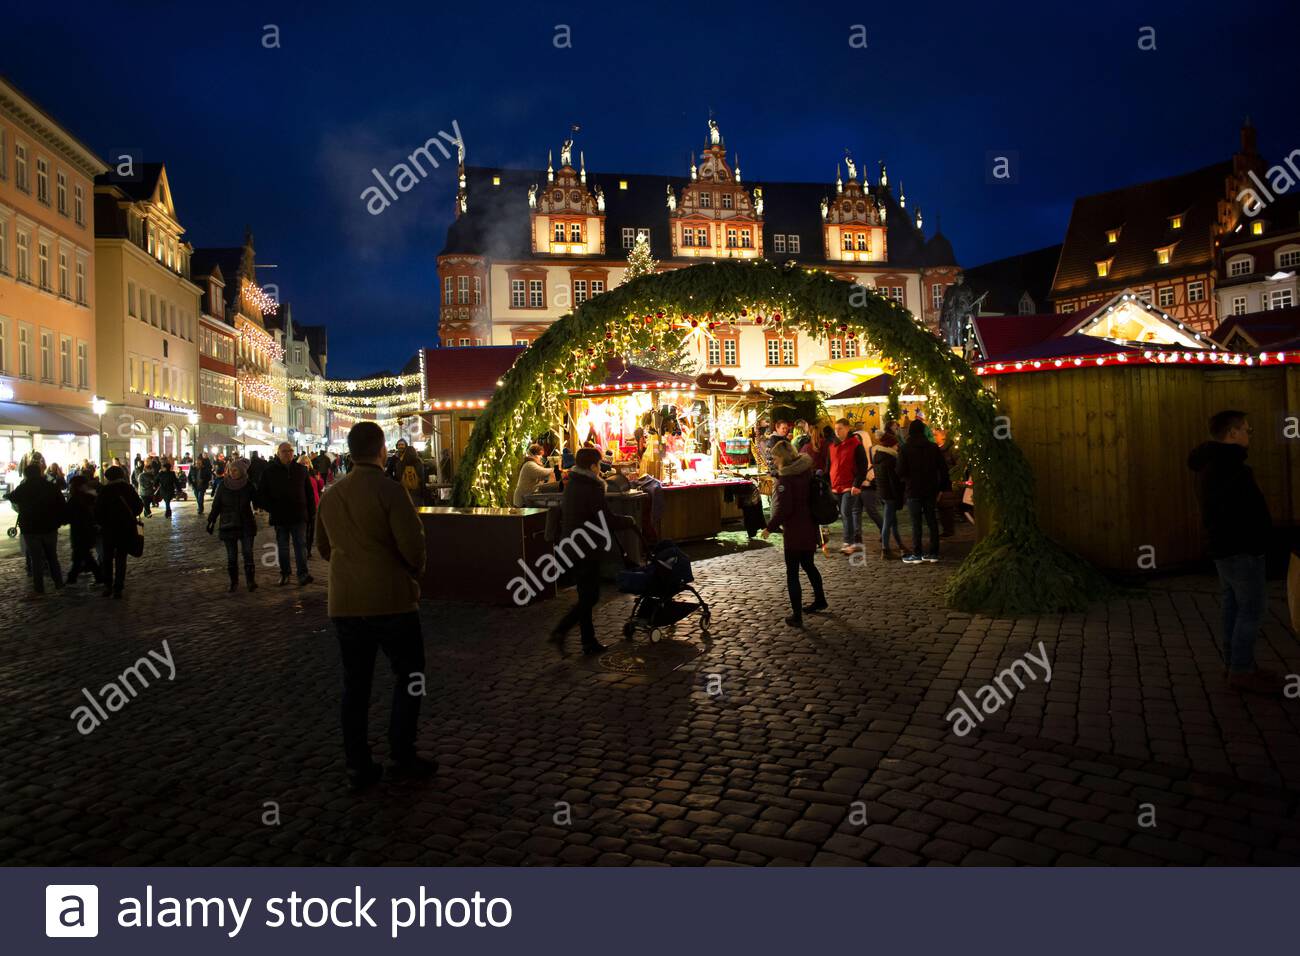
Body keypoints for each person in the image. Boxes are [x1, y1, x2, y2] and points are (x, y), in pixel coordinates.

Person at [316, 421, 432, 791]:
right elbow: (412, 545)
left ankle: (358, 763)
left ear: (350, 451)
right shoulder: (390, 490)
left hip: (346, 603)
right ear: (382, 451)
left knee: (356, 684)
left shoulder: (332, 494)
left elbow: (322, 547)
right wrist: (413, 570)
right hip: (391, 599)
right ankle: (402, 751)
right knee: (410, 675)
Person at [1188, 410, 1280, 695]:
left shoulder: (1208, 465)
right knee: (1251, 608)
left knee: (1232, 606)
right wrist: (1262, 538)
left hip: (1222, 547)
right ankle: (1241, 669)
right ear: (1232, 433)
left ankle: (1236, 664)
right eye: (1246, 430)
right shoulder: (1232, 468)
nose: (1248, 436)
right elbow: (1246, 510)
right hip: (1242, 547)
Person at [549, 446, 636, 656]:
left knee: (585, 595)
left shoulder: (573, 484)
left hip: (570, 546)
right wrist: (628, 521)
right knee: (591, 596)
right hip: (585, 548)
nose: (600, 468)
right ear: (592, 466)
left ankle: (588, 641)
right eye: (598, 464)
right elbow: (604, 518)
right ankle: (561, 631)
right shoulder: (592, 487)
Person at [760, 440, 827, 627]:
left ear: (782, 457)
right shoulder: (806, 472)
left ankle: (797, 615)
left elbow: (784, 509)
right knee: (809, 565)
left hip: (795, 532)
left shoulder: (786, 480)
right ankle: (820, 599)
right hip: (809, 527)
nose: (773, 460)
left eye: (775, 456)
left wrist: (769, 527)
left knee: (792, 573)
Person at [259, 441, 316, 586]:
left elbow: (309, 493)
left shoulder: (301, 470)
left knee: (300, 546)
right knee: (283, 547)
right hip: (280, 516)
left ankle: (303, 574)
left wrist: (311, 512)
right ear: (278, 453)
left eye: (290, 451)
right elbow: (262, 494)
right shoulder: (269, 471)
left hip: (299, 515)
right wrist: (271, 508)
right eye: (284, 451)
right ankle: (285, 574)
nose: (288, 453)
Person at [7, 463, 67, 595]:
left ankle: (39, 587)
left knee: (36, 559)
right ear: (40, 473)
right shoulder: (50, 487)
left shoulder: (24, 488)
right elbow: (61, 504)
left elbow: (11, 496)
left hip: (30, 528)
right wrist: (60, 520)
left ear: (26, 474)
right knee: (52, 557)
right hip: (49, 527)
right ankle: (58, 582)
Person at [897, 418, 949, 564]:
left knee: (916, 523)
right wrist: (944, 488)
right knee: (932, 521)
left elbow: (900, 471)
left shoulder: (905, 448)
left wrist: (905, 480)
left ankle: (917, 553)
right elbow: (943, 469)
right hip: (931, 489)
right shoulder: (933, 447)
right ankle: (933, 553)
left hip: (913, 489)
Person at [207, 458, 259, 592]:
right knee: (231, 556)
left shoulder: (248, 485)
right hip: (228, 524)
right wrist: (211, 520)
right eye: (230, 470)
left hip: (246, 523)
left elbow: (258, 501)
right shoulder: (223, 485)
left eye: (235, 470)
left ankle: (250, 581)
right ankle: (234, 582)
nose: (232, 473)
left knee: (248, 553)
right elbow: (216, 505)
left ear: (241, 471)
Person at [95, 465, 143, 598]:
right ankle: (118, 587)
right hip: (125, 529)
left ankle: (107, 585)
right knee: (121, 558)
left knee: (107, 558)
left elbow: (98, 510)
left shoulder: (105, 490)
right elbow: (138, 507)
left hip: (109, 530)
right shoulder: (128, 488)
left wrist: (102, 523)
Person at [828, 418, 869, 555]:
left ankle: (849, 542)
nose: (837, 431)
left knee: (846, 512)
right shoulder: (832, 446)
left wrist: (857, 483)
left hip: (849, 485)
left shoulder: (855, 444)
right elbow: (830, 465)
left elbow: (862, 465)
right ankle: (852, 541)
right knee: (844, 513)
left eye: (840, 428)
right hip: (835, 485)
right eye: (835, 429)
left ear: (847, 428)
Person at [872, 429, 907, 558]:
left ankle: (901, 545)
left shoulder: (879, 457)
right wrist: (899, 498)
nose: (897, 447)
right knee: (887, 522)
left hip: (883, 493)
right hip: (890, 495)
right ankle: (885, 549)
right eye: (896, 444)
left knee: (893, 521)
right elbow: (894, 482)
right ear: (890, 445)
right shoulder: (891, 460)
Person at [65, 474, 103, 586]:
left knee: (84, 555)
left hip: (81, 531)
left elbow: (69, 515)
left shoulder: (77, 499)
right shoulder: (89, 497)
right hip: (87, 530)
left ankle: (98, 577)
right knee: (81, 555)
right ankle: (72, 578)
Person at [301, 454, 324, 555]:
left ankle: (308, 549)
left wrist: (319, 480)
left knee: (311, 529)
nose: (305, 465)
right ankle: (303, 548)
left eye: (306, 463)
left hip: (314, 503)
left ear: (309, 464)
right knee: (303, 528)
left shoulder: (314, 473)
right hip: (301, 504)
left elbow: (320, 487)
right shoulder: (297, 474)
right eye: (302, 463)